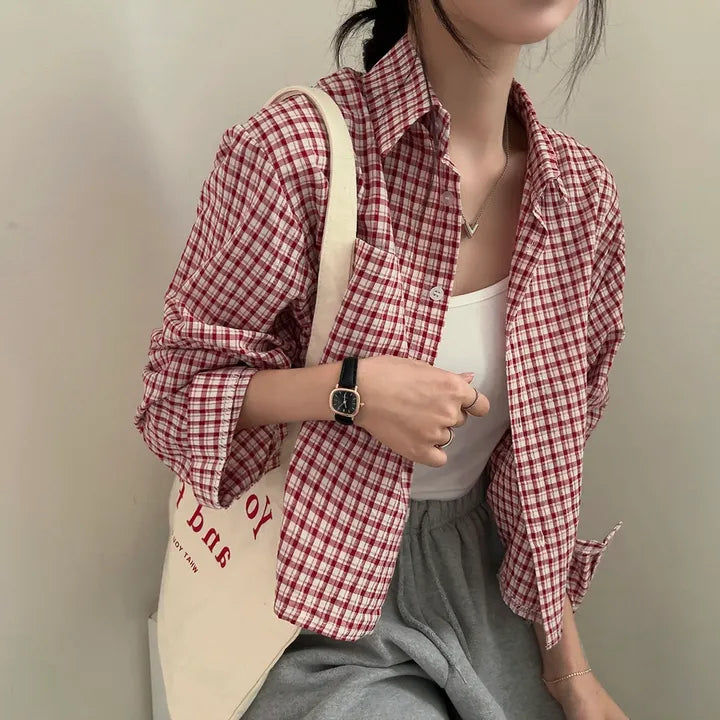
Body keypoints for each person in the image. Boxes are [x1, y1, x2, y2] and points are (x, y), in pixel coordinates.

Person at [134, 1, 630, 718]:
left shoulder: (580, 199)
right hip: (310, 595)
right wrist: (349, 389)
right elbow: (173, 398)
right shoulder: (294, 151)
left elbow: (540, 482)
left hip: (484, 585)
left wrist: (568, 671)